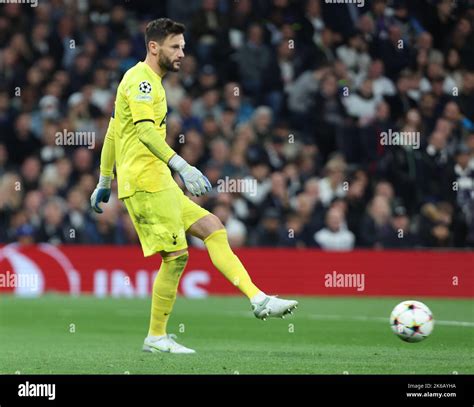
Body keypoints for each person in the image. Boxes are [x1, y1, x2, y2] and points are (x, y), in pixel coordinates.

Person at [90, 18, 298, 354]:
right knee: (175, 258)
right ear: (154, 47)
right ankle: (156, 337)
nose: (182, 53)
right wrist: (182, 165)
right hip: (146, 183)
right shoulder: (143, 83)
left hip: (157, 180)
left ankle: (258, 299)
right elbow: (142, 132)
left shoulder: (141, 80)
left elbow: (114, 131)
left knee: (213, 227)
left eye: (184, 47)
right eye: (175, 47)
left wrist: (103, 179)